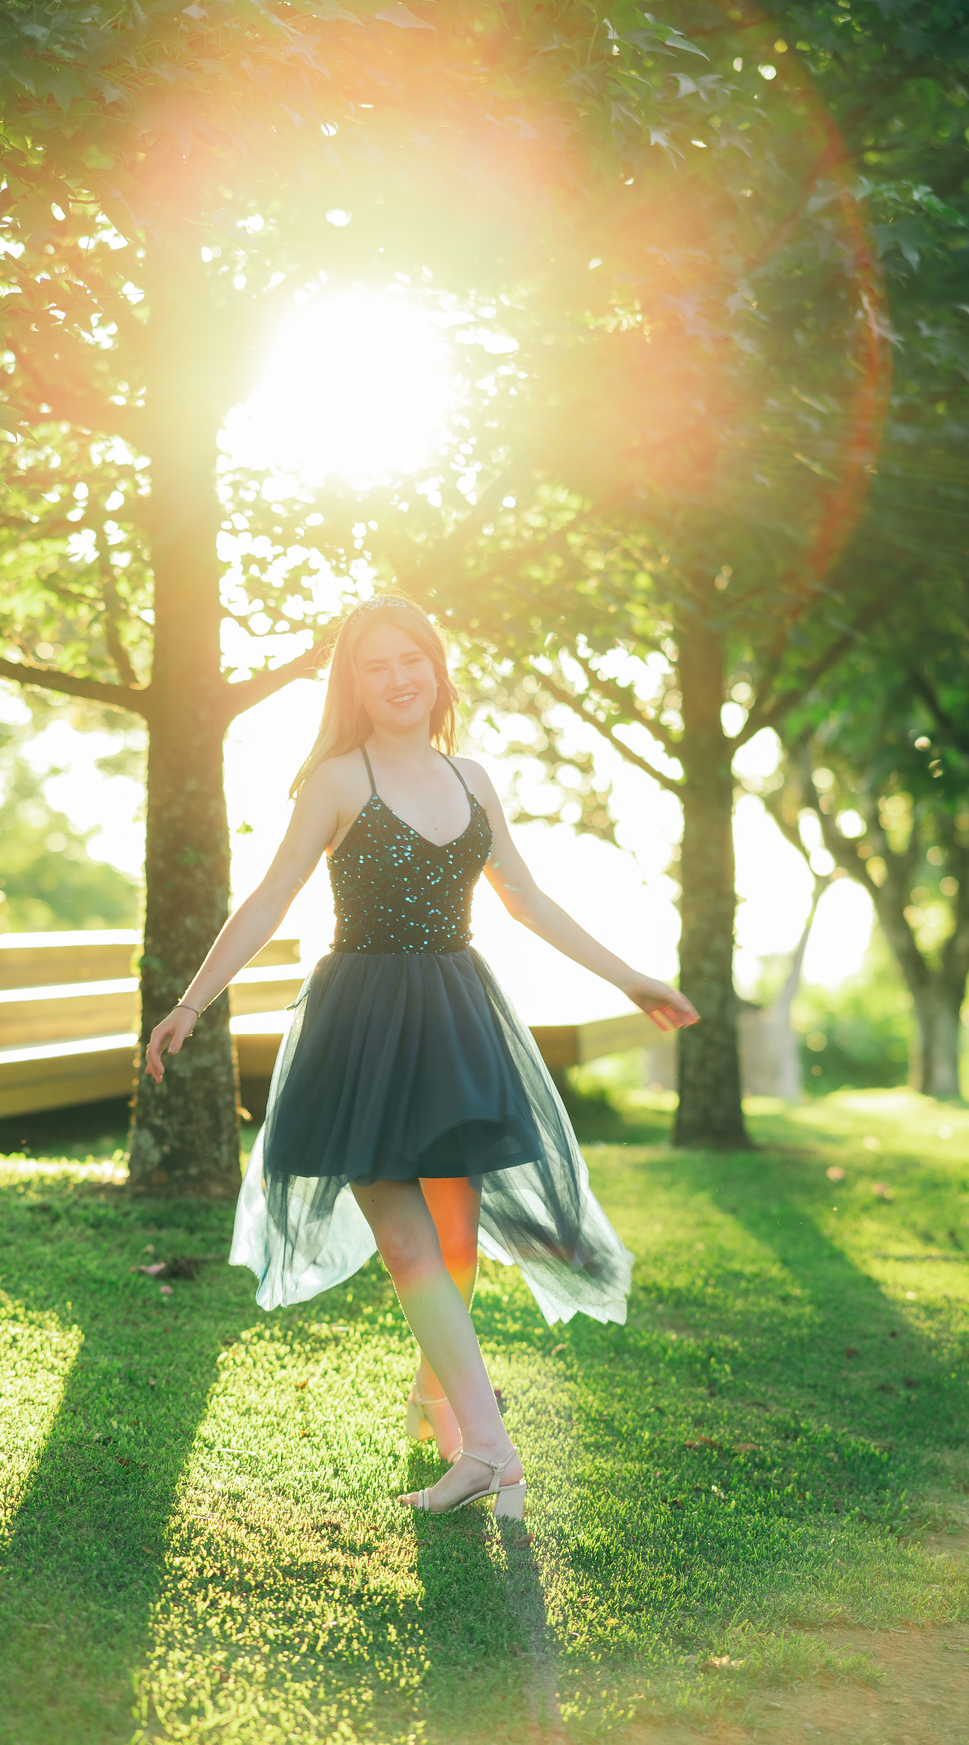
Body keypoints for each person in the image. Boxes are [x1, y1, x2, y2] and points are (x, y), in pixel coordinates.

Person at [144, 594, 698, 1517]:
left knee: (451, 1236)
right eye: (376, 666)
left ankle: (436, 1402)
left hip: (454, 1017)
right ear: (352, 685)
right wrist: (193, 1002)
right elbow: (271, 896)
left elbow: (528, 899)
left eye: (414, 660)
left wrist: (632, 977)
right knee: (405, 1237)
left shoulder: (472, 777)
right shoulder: (336, 778)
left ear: (437, 670)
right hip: (360, 1024)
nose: (399, 678)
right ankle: (490, 1449)